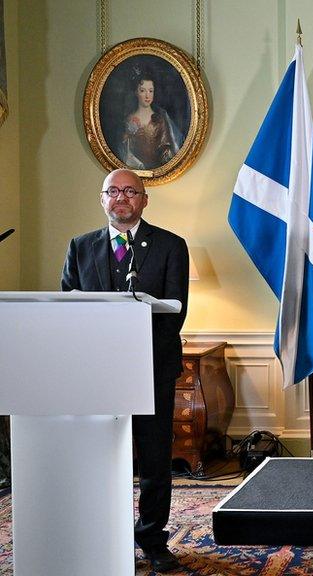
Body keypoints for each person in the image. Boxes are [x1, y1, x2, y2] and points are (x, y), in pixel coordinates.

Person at [61, 169, 189, 573]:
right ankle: (105, 536)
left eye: (130, 191)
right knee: (101, 460)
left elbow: (174, 313)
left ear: (144, 199)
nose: (122, 198)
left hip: (153, 368)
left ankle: (152, 540)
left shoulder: (171, 246)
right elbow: (69, 307)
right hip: (97, 373)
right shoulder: (80, 247)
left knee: (154, 461)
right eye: (113, 191)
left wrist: (136, 353)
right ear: (102, 199)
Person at [119, 69, 183, 170]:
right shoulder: (128, 120)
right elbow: (124, 152)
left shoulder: (160, 119)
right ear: (136, 92)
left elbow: (168, 148)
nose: (147, 95)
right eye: (142, 91)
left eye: (150, 91)